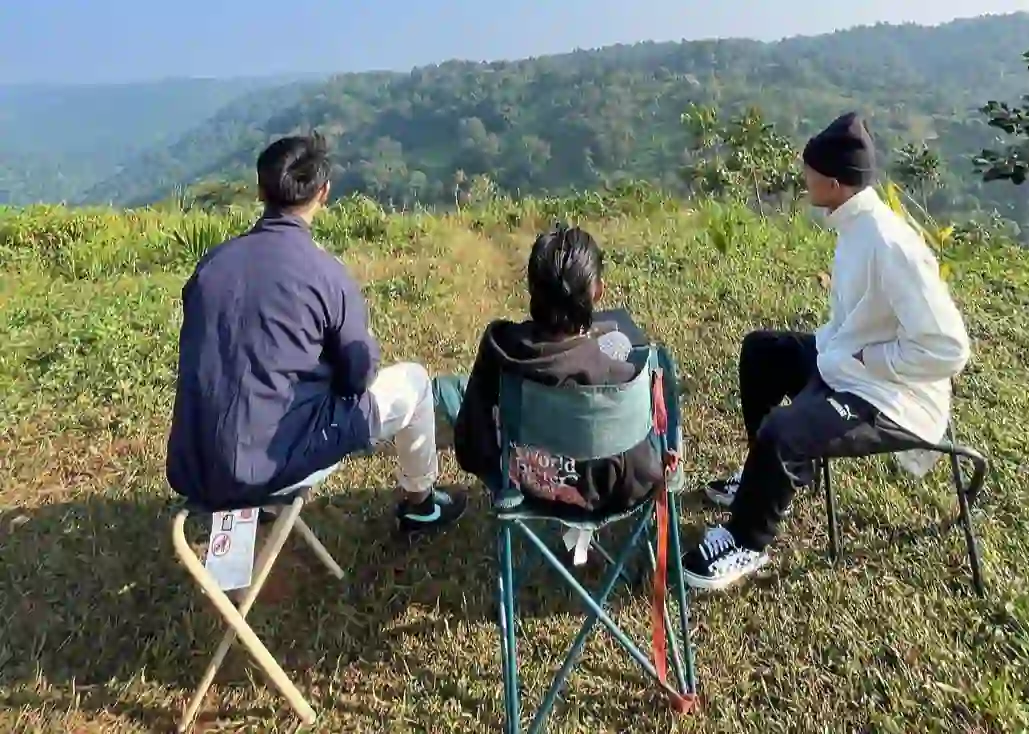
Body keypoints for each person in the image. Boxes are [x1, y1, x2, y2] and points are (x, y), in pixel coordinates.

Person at [683, 112, 971, 591]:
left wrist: (869, 362)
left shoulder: (890, 243)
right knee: (762, 352)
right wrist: (844, 352)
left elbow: (948, 348)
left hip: (890, 395)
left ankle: (746, 541)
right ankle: (766, 479)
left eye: (810, 171)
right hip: (849, 363)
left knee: (784, 429)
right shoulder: (854, 224)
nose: (803, 177)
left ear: (834, 183)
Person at [166, 133, 466, 533]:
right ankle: (421, 504)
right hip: (269, 466)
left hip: (194, 466)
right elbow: (359, 375)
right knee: (413, 380)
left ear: (260, 189)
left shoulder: (212, 266)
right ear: (323, 193)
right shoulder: (324, 272)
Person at [453, 225, 662, 519]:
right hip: (596, 494)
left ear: (532, 289)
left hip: (518, 483)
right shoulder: (617, 377)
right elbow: (644, 474)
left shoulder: (499, 347)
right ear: (598, 291)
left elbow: (471, 436)